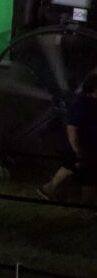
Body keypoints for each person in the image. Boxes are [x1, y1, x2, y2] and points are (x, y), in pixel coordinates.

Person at [38, 74, 97, 207]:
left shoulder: (91, 103)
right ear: (93, 89)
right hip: (84, 146)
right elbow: (72, 129)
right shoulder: (81, 105)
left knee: (71, 166)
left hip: (88, 145)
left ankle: (48, 189)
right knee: (90, 175)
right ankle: (88, 206)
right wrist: (77, 149)